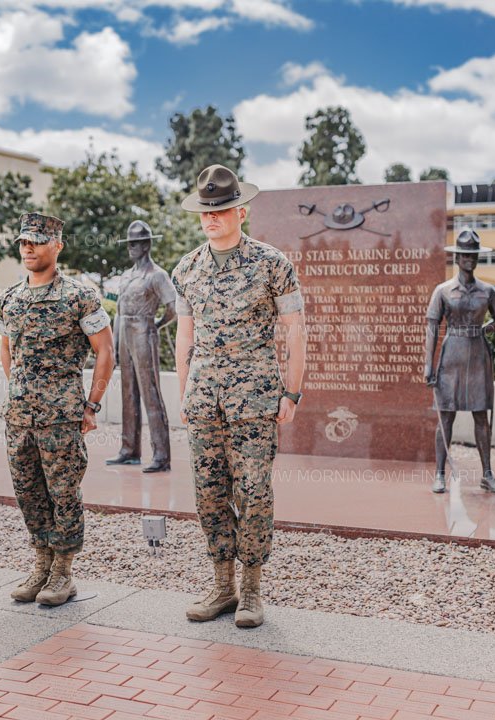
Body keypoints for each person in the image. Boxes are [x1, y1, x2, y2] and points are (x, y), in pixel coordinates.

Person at [171, 164, 307, 629]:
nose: (212, 218)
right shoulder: (186, 268)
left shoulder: (273, 264)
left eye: (221, 210)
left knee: (253, 490)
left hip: (255, 394)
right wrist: (185, 391)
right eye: (205, 211)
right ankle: (222, 586)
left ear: (241, 212)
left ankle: (251, 590)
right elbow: (184, 337)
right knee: (209, 492)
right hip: (205, 395)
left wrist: (292, 391)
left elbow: (294, 332)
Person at [0, 212, 115, 608]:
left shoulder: (79, 295)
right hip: (19, 417)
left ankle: (63, 570)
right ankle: (40, 563)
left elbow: (105, 352)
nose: (27, 247)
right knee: (28, 492)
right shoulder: (9, 298)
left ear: (57, 245)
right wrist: (18, 391)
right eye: (23, 241)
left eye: (36, 241)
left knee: (63, 492)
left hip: (61, 416)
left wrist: (91, 405)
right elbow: (7, 348)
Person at [424, 228, 495, 494]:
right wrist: (428, 364)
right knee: (445, 416)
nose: (469, 260)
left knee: (481, 416)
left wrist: (485, 331)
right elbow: (431, 327)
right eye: (465, 255)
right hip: (452, 356)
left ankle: (487, 474)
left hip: (478, 355)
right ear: (457, 257)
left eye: (473, 255)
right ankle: (439, 473)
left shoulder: (487, 290)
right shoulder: (443, 290)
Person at [106, 220, 177, 473]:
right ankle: (129, 449)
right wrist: (115, 344)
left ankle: (161, 455)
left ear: (146, 245)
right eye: (129, 243)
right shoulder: (126, 275)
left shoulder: (157, 275)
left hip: (144, 331)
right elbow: (119, 312)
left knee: (151, 393)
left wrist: (155, 325)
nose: (131, 248)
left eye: (135, 243)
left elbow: (173, 307)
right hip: (125, 333)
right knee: (128, 393)